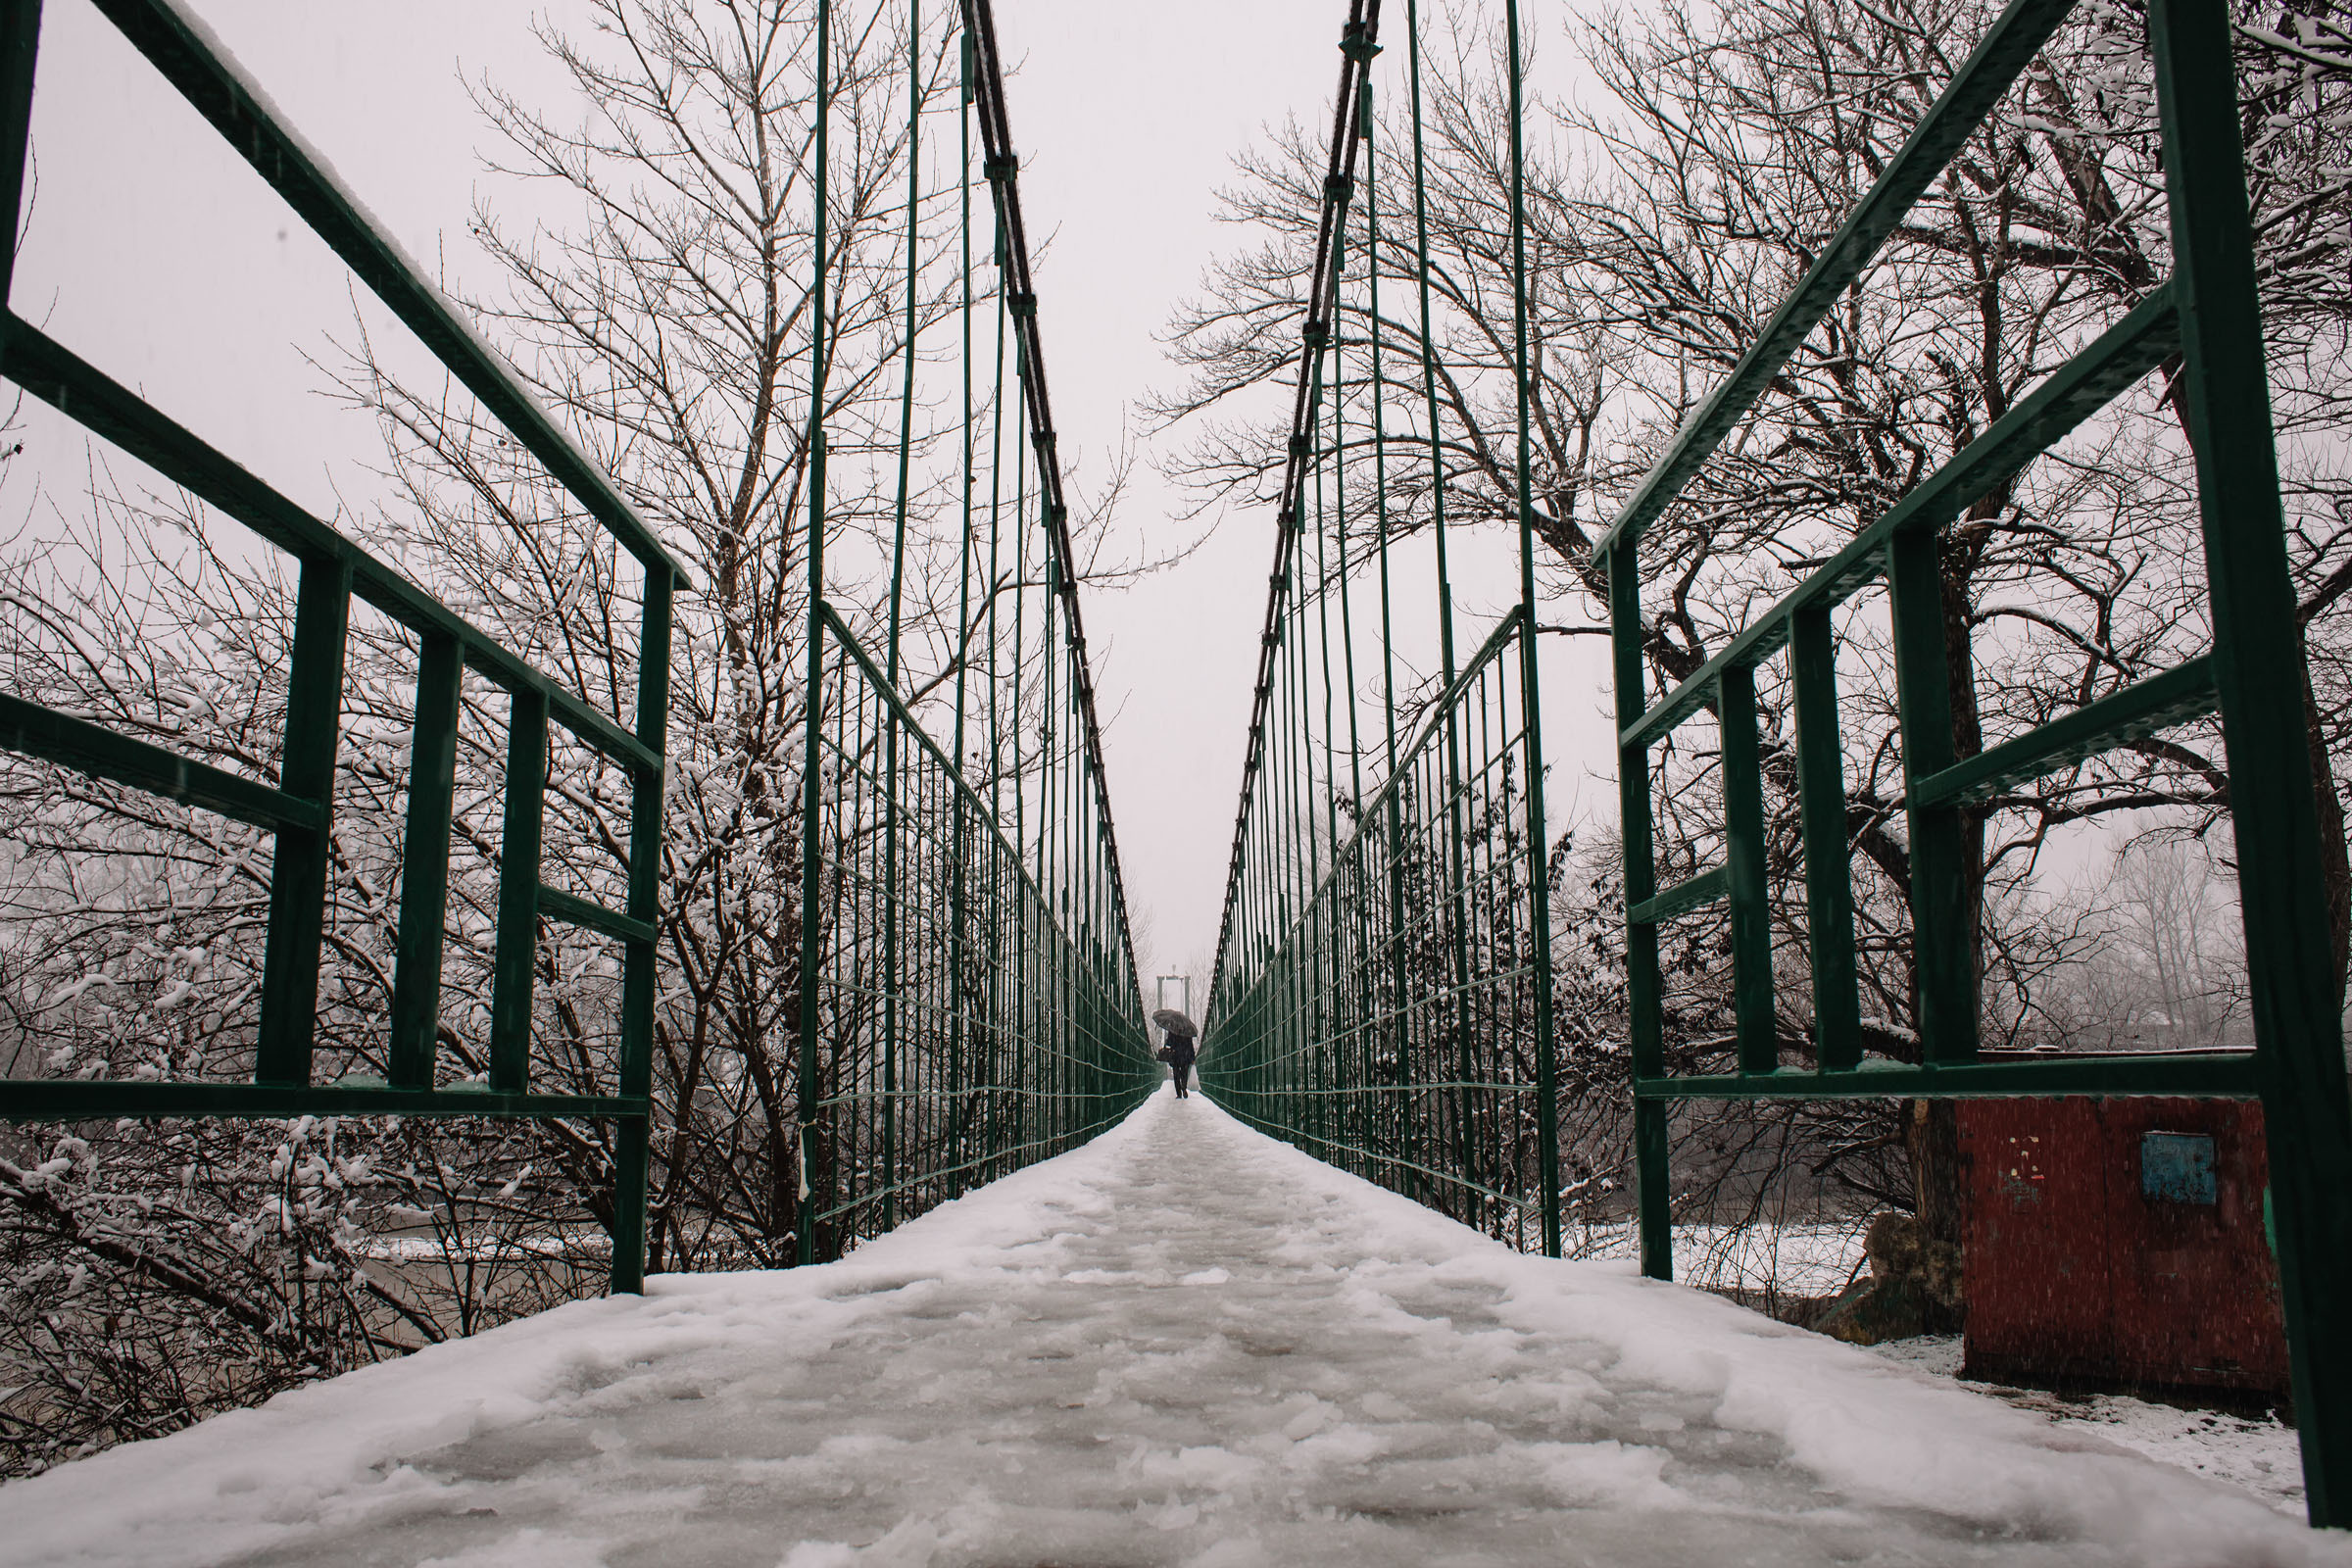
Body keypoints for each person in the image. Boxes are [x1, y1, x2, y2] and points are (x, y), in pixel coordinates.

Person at [1161, 1029, 1198, 1099]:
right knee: (1184, 1073)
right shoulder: (1187, 1031)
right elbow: (1190, 1045)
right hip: (1185, 1055)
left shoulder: (1173, 1030)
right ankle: (1183, 1087)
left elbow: (1169, 1043)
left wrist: (1167, 1042)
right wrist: (1192, 1057)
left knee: (1176, 1075)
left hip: (1175, 1056)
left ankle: (1179, 1093)